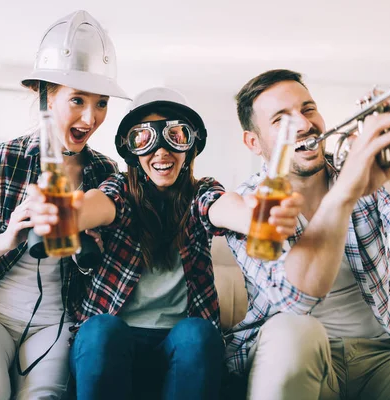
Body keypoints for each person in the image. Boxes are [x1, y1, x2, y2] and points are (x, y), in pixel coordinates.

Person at [28, 87, 303, 400]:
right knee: (101, 329)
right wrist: (67, 213)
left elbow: (224, 206)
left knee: (197, 333)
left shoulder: (201, 193)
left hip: (181, 349)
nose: (161, 151)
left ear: (191, 145)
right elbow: (96, 204)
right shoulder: (119, 190)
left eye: (175, 135)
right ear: (131, 150)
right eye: (144, 139)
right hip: (113, 345)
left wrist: (256, 216)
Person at [0, 10, 129, 400]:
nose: (90, 117)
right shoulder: (1, 158)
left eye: (101, 104)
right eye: (77, 100)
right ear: (44, 96)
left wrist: (83, 243)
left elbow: (100, 267)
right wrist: (7, 237)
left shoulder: (104, 171)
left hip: (57, 322)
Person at [225, 69, 390, 400]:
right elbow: (296, 299)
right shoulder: (249, 204)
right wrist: (345, 193)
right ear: (253, 142)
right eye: (281, 119)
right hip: (300, 350)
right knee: (295, 331)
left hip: (384, 352)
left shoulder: (357, 170)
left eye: (308, 109)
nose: (303, 124)